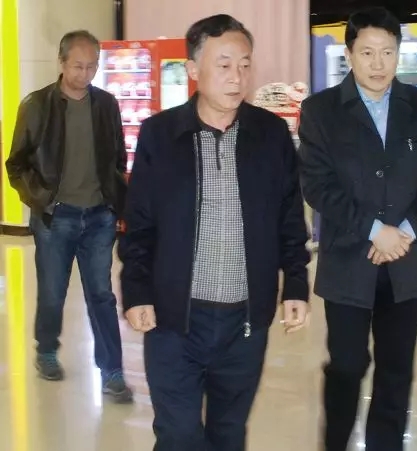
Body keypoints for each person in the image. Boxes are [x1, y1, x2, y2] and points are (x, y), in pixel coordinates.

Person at [118, 14, 310, 451]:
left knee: (228, 432)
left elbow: (289, 218)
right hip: (173, 319)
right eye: (223, 65)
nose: (237, 77)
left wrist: (296, 283)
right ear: (192, 69)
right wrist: (136, 291)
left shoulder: (270, 134)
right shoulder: (160, 135)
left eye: (245, 64)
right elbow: (139, 224)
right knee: (178, 434)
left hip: (245, 321)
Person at [298, 7, 417, 451]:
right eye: (367, 52)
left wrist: (404, 231)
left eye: (388, 52)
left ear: (399, 53)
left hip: (406, 263)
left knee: (396, 370)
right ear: (349, 54)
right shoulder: (321, 111)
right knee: (346, 366)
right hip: (349, 260)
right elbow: (318, 186)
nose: (378, 63)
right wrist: (373, 231)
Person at [5, 30, 132, 403]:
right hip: (55, 218)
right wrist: (42, 200)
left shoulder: (106, 104)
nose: (85, 73)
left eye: (92, 66)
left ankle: (112, 371)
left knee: (101, 294)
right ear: (61, 63)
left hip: (99, 217)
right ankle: (46, 349)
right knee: (52, 292)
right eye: (78, 66)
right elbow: (16, 164)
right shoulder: (37, 105)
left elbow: (118, 157)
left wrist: (115, 202)